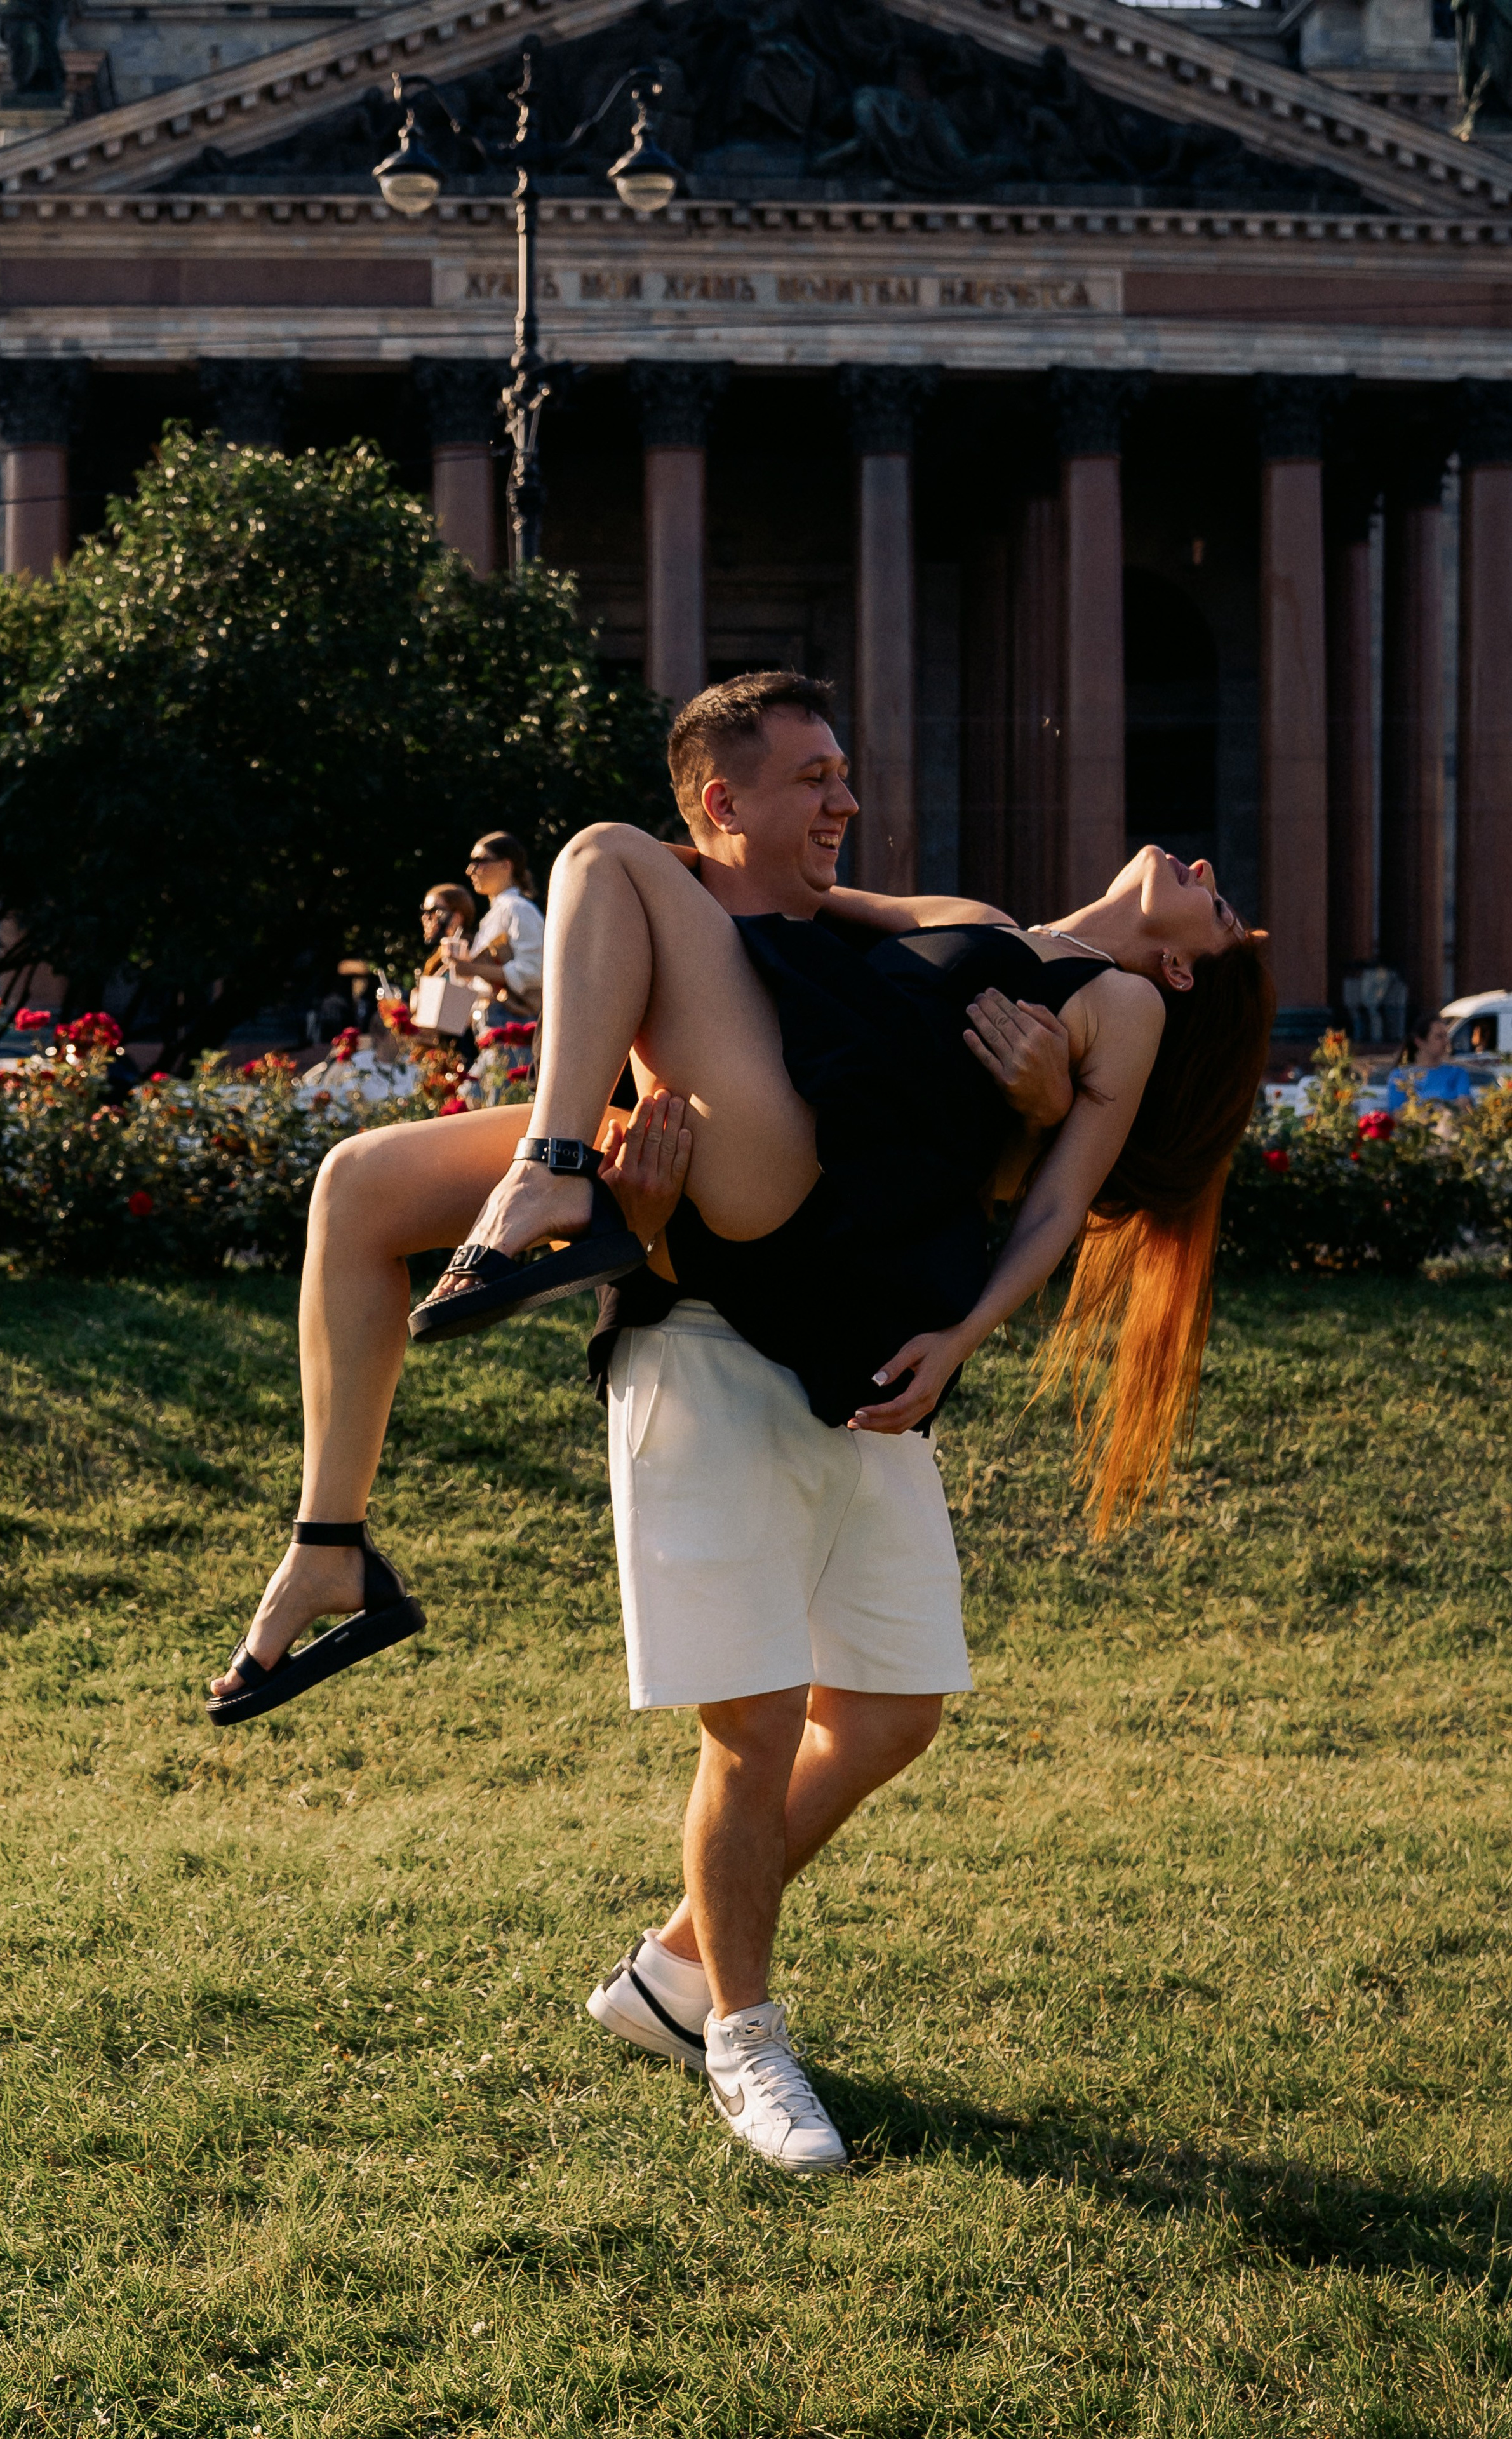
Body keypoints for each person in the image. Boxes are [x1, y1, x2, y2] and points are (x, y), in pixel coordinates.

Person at [206, 670, 1272, 2177]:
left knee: (889, 1708)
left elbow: (1040, 1209)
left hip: (795, 1183)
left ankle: (560, 1176)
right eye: (816, 774)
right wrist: (657, 966)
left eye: (1219, 916)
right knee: (363, 1182)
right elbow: (786, 909)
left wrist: (1001, 1218)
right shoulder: (975, 913)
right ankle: (330, 1543)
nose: (1209, 875)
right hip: (746, 1128)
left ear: (1180, 978)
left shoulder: (1114, 1012)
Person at [441, 832, 546, 1028]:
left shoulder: (518, 909)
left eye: (479, 861)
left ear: (506, 865)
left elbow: (537, 970)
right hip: (494, 1021)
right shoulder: (499, 912)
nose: (469, 870)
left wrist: (473, 969)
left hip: (516, 1025)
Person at [1386, 1011, 1482, 1108]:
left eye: (1446, 1036)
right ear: (1420, 1042)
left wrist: (1427, 1110)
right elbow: (1397, 1113)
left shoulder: (1457, 1073)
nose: (1446, 1042)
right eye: (1439, 1037)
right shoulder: (1400, 1076)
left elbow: (1464, 1105)